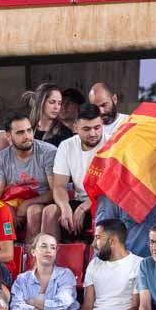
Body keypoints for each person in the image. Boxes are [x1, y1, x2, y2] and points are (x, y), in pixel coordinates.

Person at [0, 112, 58, 245]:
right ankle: (8, 255)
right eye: (20, 132)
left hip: (44, 202)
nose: (27, 136)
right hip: (13, 204)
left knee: (33, 211)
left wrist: (28, 203)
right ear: (8, 136)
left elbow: (56, 191)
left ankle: (29, 255)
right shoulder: (1, 158)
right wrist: (6, 209)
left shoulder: (48, 152)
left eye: (29, 130)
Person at [10, 233, 78, 310]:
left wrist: (32, 302)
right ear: (33, 251)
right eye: (44, 246)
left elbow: (61, 304)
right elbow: (15, 308)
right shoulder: (22, 279)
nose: (49, 251)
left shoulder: (65, 275)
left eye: (53, 247)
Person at [46, 103, 104, 241]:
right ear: (75, 127)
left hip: (103, 202)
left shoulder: (112, 144)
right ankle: (53, 259)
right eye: (86, 129)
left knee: (105, 209)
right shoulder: (66, 146)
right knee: (51, 212)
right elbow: (59, 185)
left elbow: (111, 188)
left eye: (97, 128)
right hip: (79, 200)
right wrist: (65, 207)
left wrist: (85, 207)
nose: (93, 133)